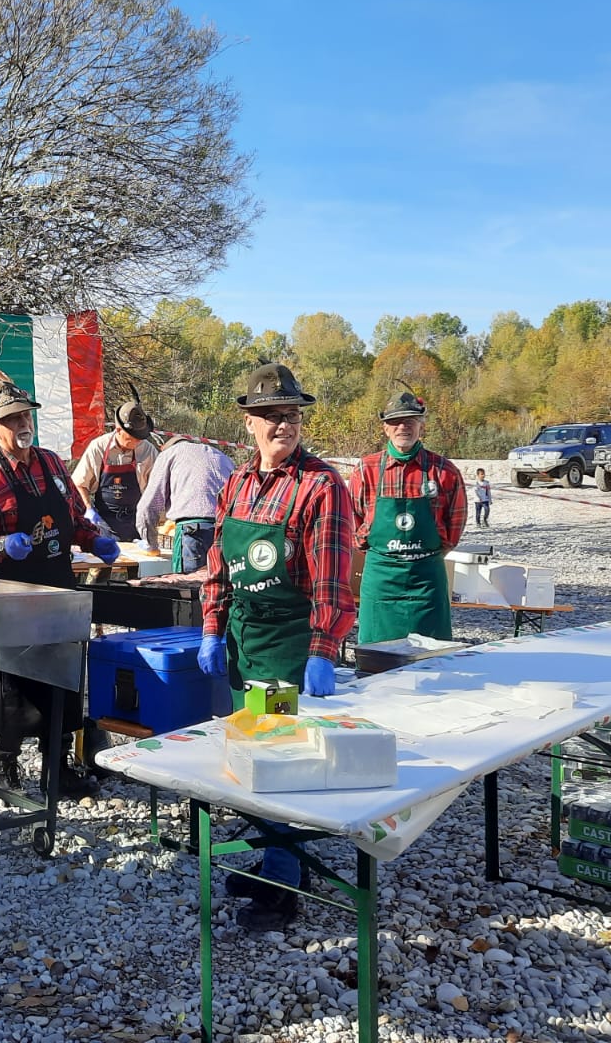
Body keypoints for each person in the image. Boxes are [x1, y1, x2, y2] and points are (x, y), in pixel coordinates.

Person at [196, 363, 357, 932]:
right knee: (249, 757)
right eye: (270, 415)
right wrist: (212, 627)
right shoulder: (237, 484)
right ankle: (275, 858)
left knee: (280, 759)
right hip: (244, 641)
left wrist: (324, 647)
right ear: (249, 424)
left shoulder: (321, 486)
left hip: (290, 646)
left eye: (290, 414)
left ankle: (284, 888)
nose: (282, 424)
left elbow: (335, 578)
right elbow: (219, 562)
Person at [0, 372, 122, 795]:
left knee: (62, 678)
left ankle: (57, 768)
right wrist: (0, 544)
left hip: (59, 587)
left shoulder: (50, 463)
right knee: (12, 684)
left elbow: (71, 518)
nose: (21, 425)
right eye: (11, 420)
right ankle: (3, 766)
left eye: (25, 416)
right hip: (13, 594)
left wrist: (94, 538)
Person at [347, 391, 468, 645]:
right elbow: (352, 522)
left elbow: (454, 528)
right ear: (385, 428)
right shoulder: (365, 470)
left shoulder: (445, 471)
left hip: (427, 582)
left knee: (432, 661)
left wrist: (423, 554)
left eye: (411, 420)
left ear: (421, 425)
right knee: (375, 661)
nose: (403, 427)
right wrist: (374, 548)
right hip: (381, 579)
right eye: (396, 421)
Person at [135, 434, 235, 573]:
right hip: (228, 531)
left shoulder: (168, 454)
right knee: (220, 588)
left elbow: (149, 506)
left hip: (193, 531)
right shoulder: (220, 456)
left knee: (187, 588)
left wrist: (150, 545)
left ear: (164, 448)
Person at [70, 391, 159, 541]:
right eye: (132, 438)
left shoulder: (148, 450)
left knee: (138, 563)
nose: (137, 442)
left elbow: (159, 486)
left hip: (137, 521)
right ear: (118, 430)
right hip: (103, 522)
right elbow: (79, 484)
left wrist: (153, 516)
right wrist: (88, 509)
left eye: (140, 438)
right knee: (104, 562)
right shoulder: (98, 447)